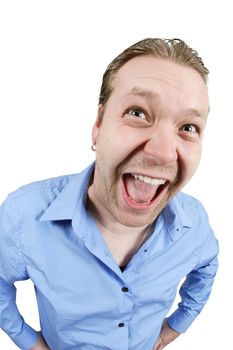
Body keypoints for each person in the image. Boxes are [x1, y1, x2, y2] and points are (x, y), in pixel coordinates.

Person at [0, 38, 218, 350]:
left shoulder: (194, 222)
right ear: (99, 126)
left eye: (189, 127)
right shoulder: (23, 215)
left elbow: (207, 266)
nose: (163, 153)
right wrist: (29, 342)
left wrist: (174, 328)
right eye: (138, 112)